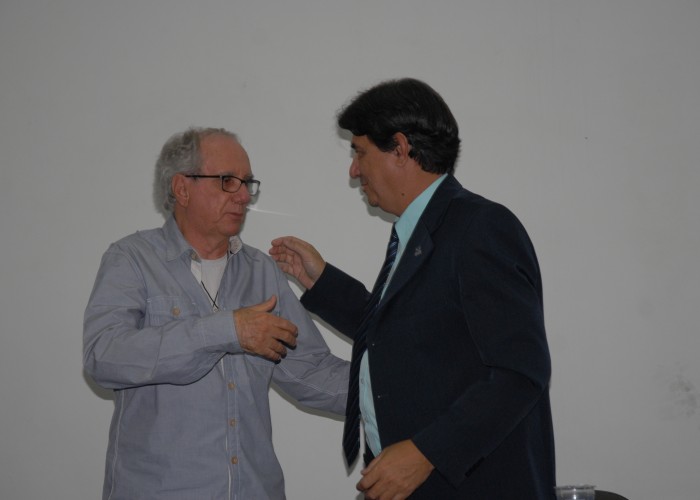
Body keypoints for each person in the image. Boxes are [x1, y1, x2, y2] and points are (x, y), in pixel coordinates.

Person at [269, 78, 556, 499]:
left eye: (359, 152)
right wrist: (322, 282)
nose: (354, 170)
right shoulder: (422, 231)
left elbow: (520, 372)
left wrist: (426, 452)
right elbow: (407, 335)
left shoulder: (480, 227)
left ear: (401, 148)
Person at [83, 127, 349, 500]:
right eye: (227, 181)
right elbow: (104, 356)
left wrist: (399, 389)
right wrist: (226, 330)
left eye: (247, 182)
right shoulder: (132, 259)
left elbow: (310, 371)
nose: (243, 196)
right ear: (182, 188)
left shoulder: (262, 272)